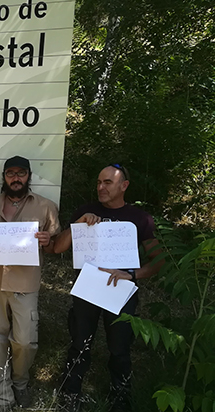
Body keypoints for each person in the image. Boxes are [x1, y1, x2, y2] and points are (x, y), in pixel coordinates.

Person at [54, 164, 161, 412]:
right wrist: (78, 225)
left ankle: (120, 399)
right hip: (88, 289)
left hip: (121, 292)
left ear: (124, 186)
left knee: (120, 347)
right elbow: (58, 247)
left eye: (108, 183)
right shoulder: (86, 211)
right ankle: (70, 396)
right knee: (80, 343)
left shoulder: (139, 219)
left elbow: (159, 260)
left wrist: (133, 274)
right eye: (99, 182)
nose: (101, 187)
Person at [0, 155, 60, 412]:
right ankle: (1, 396)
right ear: (4, 177)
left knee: (25, 341)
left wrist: (47, 242)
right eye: (11, 173)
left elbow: (54, 248)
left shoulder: (46, 207)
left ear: (29, 176)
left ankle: (20, 382)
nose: (16, 178)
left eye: (21, 173)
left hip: (25, 283)